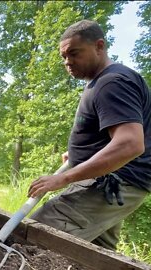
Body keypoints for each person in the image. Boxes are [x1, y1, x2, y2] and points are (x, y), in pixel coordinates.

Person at [28, 20, 150, 250]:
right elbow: (110, 135)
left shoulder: (111, 83)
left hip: (113, 183)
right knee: (96, 256)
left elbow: (130, 143)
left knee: (36, 236)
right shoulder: (102, 82)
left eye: (74, 53)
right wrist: (78, 155)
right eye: (64, 56)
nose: (67, 62)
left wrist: (63, 178)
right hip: (115, 185)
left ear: (99, 46)